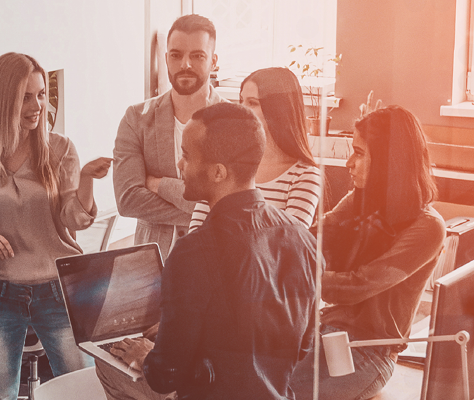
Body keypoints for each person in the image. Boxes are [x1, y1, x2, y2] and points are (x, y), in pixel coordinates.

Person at [107, 103, 318, 400]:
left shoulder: (193, 253)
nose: (180, 165)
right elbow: (302, 347)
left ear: (218, 172)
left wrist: (144, 355)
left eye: (186, 156)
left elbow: (165, 377)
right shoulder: (303, 240)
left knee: (110, 366)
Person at [0, 52, 112, 400]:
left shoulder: (59, 149)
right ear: (1, 99)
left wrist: (86, 179)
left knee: (83, 390)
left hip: (57, 291)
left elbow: (75, 220)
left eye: (41, 94)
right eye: (25, 96)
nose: (37, 104)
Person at [289, 105, 445, 400]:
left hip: (366, 353)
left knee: (278, 392)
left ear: (389, 162)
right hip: (325, 331)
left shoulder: (428, 227)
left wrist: (294, 273)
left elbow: (358, 286)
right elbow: (307, 242)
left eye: (359, 153)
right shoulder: (358, 201)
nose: (349, 163)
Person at [114, 14, 226, 258]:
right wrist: (203, 208)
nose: (185, 64)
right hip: (153, 263)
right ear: (166, 59)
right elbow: (128, 200)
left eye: (197, 55)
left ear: (214, 61)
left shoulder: (232, 121)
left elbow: (229, 203)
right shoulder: (136, 118)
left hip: (215, 258)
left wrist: (157, 184)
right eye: (176, 55)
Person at [187, 67, 322, 231]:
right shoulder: (223, 165)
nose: (242, 109)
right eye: (241, 100)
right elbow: (195, 233)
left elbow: (287, 244)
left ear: (278, 110)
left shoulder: (304, 176)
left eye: (252, 103)